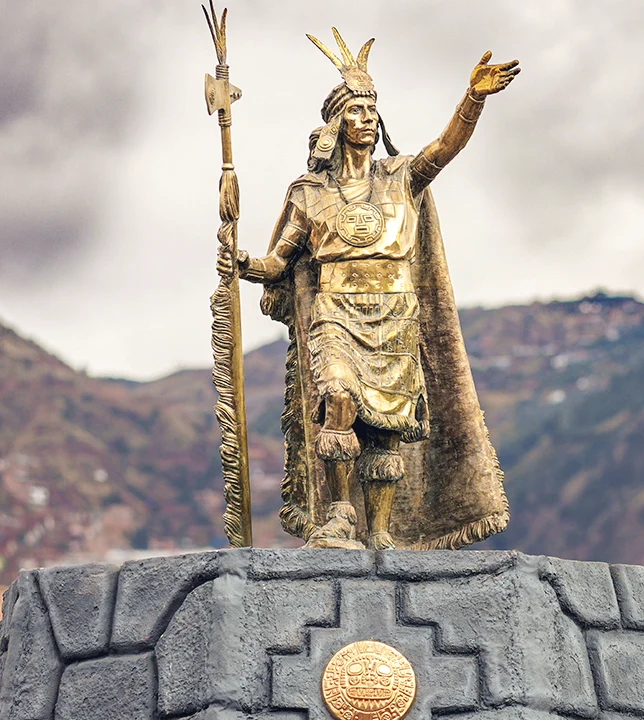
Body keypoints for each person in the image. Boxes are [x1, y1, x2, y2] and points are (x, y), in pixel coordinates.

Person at [219, 30, 517, 550]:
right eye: (356, 111)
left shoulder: (401, 177)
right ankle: (338, 516)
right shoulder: (308, 193)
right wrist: (242, 262)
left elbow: (444, 149)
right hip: (335, 312)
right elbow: (279, 262)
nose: (368, 119)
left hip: (395, 312)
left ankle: (379, 532)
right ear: (335, 123)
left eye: (373, 110)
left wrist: (473, 99)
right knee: (337, 395)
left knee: (385, 431)